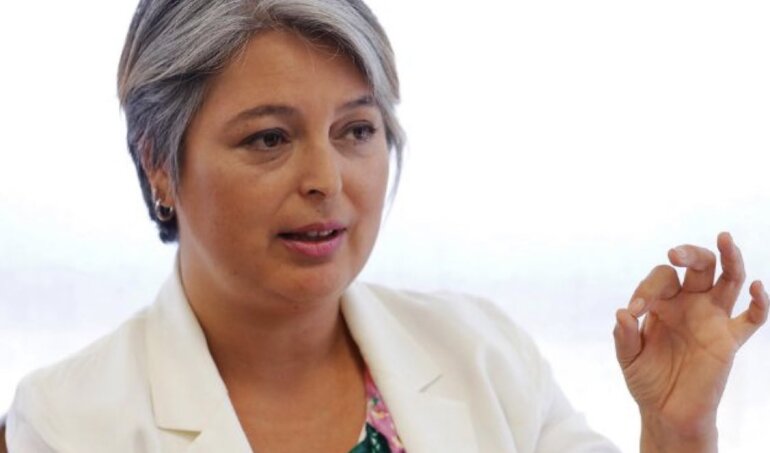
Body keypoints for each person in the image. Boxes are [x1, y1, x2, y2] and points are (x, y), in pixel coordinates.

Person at [5, 0, 768, 451]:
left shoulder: (483, 352)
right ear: (159, 164)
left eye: (356, 130)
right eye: (268, 137)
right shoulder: (65, 422)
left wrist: (677, 430)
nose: (327, 179)